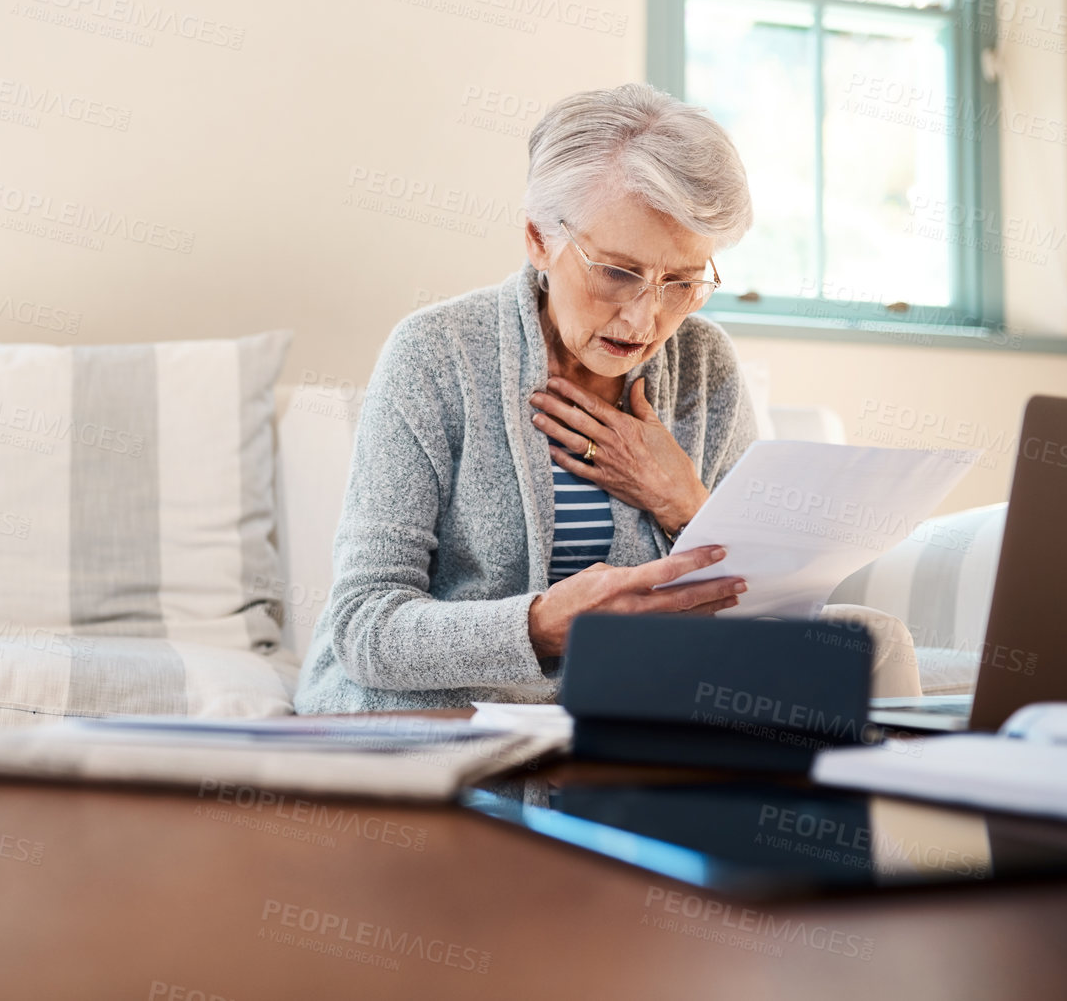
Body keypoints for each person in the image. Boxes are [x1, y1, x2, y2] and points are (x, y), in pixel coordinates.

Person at [294, 83, 918, 713]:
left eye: (681, 281)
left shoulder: (706, 363)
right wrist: (539, 624)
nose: (645, 320)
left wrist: (684, 503)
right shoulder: (437, 353)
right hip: (453, 709)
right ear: (540, 239)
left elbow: (765, 611)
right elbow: (363, 623)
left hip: (631, 704)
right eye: (618, 272)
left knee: (870, 645)